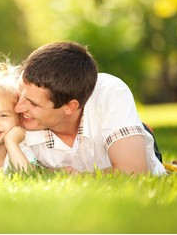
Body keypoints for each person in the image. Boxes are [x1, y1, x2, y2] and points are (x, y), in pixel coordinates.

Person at [14, 41, 166, 175]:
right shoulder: (11, 102)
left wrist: (78, 177)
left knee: (136, 137)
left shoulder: (111, 93)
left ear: (69, 107)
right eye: (20, 94)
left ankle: (139, 130)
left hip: (115, 131)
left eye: (33, 103)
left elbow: (134, 172)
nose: (18, 108)